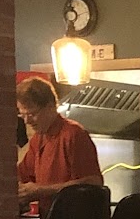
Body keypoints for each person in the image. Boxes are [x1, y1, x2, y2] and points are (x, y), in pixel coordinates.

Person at [16, 75, 102, 206]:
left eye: (32, 114)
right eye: (23, 115)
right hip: (50, 217)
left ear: (51, 107)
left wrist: (42, 191)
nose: (27, 121)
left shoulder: (73, 134)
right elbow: (23, 175)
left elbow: (93, 183)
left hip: (74, 216)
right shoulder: (38, 139)